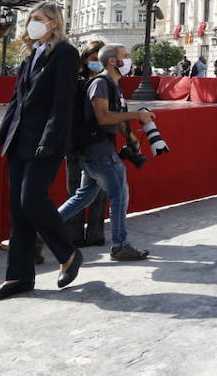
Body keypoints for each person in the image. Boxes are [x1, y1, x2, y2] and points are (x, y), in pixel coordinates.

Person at [0, 2, 84, 301]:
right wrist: (1, 136)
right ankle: (18, 277)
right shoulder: (30, 55)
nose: (32, 23)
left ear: (54, 23)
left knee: (32, 198)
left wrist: (50, 139)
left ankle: (67, 253)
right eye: (31, 19)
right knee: (19, 210)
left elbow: (62, 102)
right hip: (19, 140)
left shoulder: (66, 54)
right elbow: (16, 100)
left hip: (47, 142)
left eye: (38, 19)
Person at [57, 44, 152, 262]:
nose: (129, 60)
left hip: (98, 150)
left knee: (83, 197)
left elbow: (117, 114)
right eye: (126, 56)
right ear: (112, 61)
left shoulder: (114, 85)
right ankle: (120, 245)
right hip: (98, 150)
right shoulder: (100, 83)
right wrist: (137, 115)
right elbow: (103, 117)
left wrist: (132, 137)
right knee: (119, 194)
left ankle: (42, 230)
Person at [63, 40, 108, 248]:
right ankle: (74, 236)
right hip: (77, 143)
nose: (97, 63)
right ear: (84, 60)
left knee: (99, 190)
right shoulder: (75, 81)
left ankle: (96, 234)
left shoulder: (108, 81)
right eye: (93, 59)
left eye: (100, 60)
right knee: (75, 191)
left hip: (100, 143)